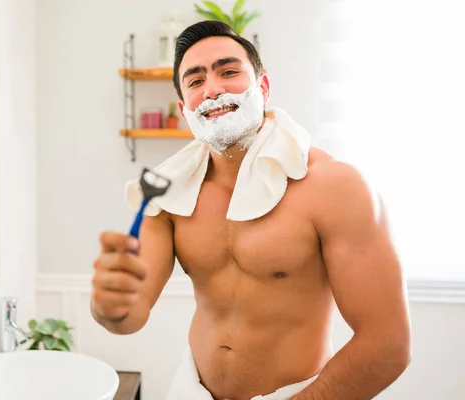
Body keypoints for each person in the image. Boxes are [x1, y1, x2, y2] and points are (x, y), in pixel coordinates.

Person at [90, 20, 411, 400]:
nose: (212, 89)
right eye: (195, 82)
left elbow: (387, 344)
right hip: (189, 389)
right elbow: (130, 316)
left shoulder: (335, 187)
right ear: (184, 108)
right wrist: (108, 305)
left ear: (263, 87)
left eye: (228, 71)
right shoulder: (169, 192)